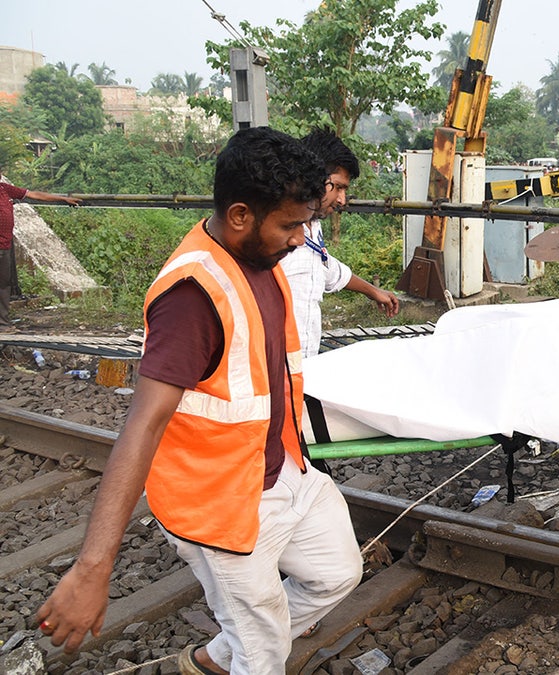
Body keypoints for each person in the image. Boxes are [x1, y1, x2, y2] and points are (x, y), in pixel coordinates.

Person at [35, 127, 363, 674]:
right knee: (263, 651)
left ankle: (214, 658)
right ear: (240, 215)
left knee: (338, 574)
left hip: (282, 470)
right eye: (291, 224)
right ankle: (241, 653)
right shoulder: (191, 296)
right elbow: (143, 424)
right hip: (220, 502)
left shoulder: (261, 260)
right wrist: (93, 568)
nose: (300, 238)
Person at [281, 128, 399, 359]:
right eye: (338, 187)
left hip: (303, 365)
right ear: (313, 177)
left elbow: (326, 267)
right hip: (273, 370)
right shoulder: (277, 236)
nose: (342, 200)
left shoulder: (312, 225)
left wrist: (373, 291)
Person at [0, 172, 82, 330]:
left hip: (4, 247)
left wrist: (63, 199)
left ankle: (2, 324)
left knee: (3, 286)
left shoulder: (4, 189)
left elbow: (34, 194)